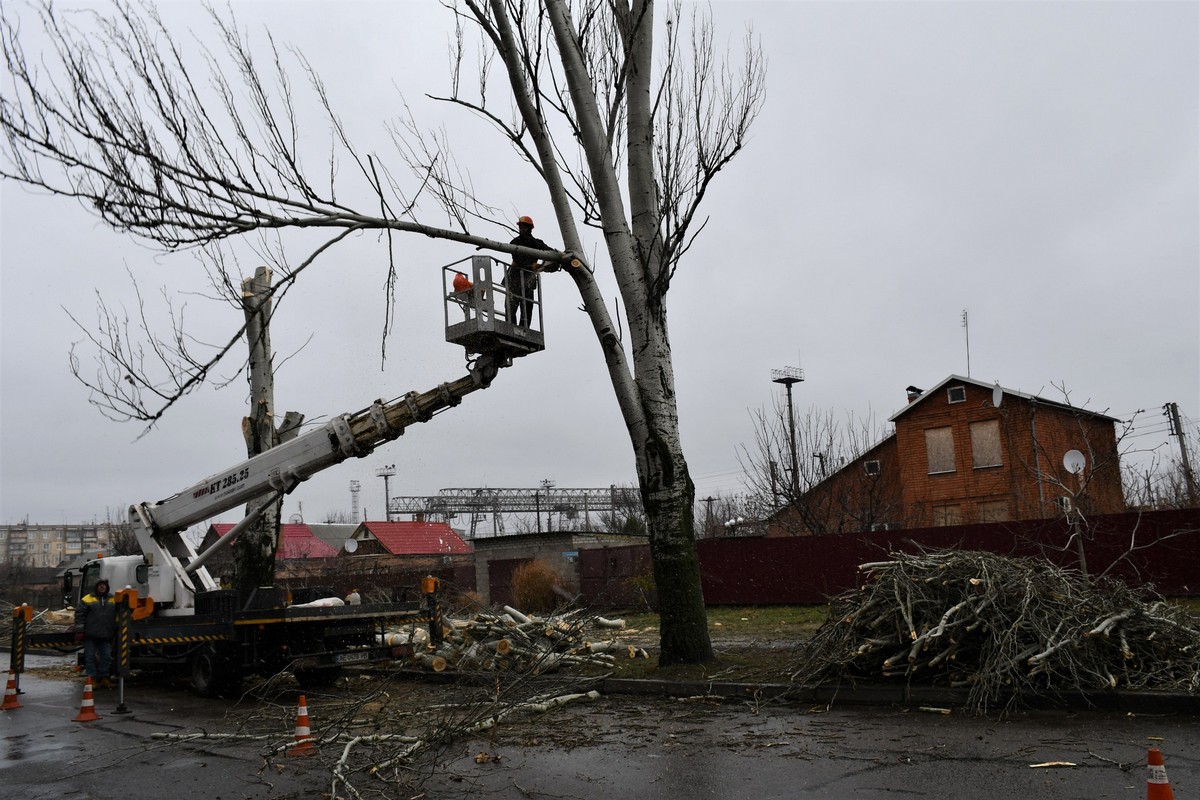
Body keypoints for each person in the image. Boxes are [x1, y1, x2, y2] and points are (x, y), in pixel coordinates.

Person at [503, 215, 554, 327]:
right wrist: (532, 266)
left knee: (527, 307)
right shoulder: (514, 242)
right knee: (511, 305)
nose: (521, 229)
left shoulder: (536, 243)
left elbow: (548, 251)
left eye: (524, 227)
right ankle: (510, 328)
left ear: (530, 228)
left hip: (528, 280)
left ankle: (524, 330)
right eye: (520, 227)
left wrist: (557, 256)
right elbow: (518, 261)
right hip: (514, 277)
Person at [74, 578, 117, 688]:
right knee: (90, 657)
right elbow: (79, 616)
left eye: (104, 585)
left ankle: (104, 678)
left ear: (107, 587)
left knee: (107, 657)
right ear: (96, 587)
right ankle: (91, 679)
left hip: (106, 635)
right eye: (100, 585)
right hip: (90, 635)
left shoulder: (113, 599)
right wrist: (80, 631)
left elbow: (120, 614)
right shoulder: (87, 599)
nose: (102, 587)